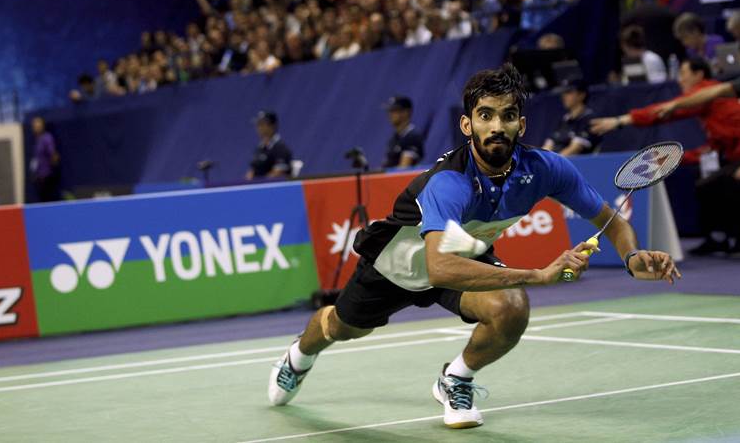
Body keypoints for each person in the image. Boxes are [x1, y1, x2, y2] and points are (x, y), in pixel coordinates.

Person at [267, 64, 680, 429]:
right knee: (344, 327)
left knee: (510, 307)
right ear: (467, 125)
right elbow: (438, 267)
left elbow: (611, 220)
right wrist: (538, 274)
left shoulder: (546, 169)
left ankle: (456, 379)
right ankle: (297, 358)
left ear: (521, 124)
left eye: (508, 115)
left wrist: (632, 257)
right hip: (399, 265)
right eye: (485, 115)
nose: (497, 126)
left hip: (465, 254)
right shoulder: (450, 183)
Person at [590, 59, 740, 255]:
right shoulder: (712, 103)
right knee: (708, 185)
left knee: (726, 183)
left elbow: (665, 111)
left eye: (683, 73)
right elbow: (714, 147)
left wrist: (622, 120)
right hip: (731, 156)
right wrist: (676, 158)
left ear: (699, 75)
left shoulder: (706, 92)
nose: (679, 80)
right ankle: (720, 238)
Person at [542, 80, 601, 156]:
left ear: (582, 95)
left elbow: (574, 149)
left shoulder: (589, 119)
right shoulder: (564, 120)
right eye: (563, 93)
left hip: (575, 162)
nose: (564, 96)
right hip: (556, 160)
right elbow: (548, 145)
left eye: (569, 92)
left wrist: (553, 161)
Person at [245, 111, 293, 180]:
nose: (259, 128)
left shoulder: (281, 149)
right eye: (258, 124)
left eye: (262, 124)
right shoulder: (259, 148)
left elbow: (278, 173)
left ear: (272, 126)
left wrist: (260, 184)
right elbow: (253, 171)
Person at [382, 96, 425, 169]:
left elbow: (403, 169)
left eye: (394, 110)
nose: (390, 114)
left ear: (406, 112)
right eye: (390, 111)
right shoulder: (394, 139)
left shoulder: (412, 138)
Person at [30, 116, 60, 202]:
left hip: (47, 177)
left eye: (38, 126)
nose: (36, 128)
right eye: (35, 126)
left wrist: (52, 171)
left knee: (49, 200)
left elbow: (53, 155)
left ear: (43, 126)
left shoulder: (47, 138)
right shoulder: (37, 140)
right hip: (39, 177)